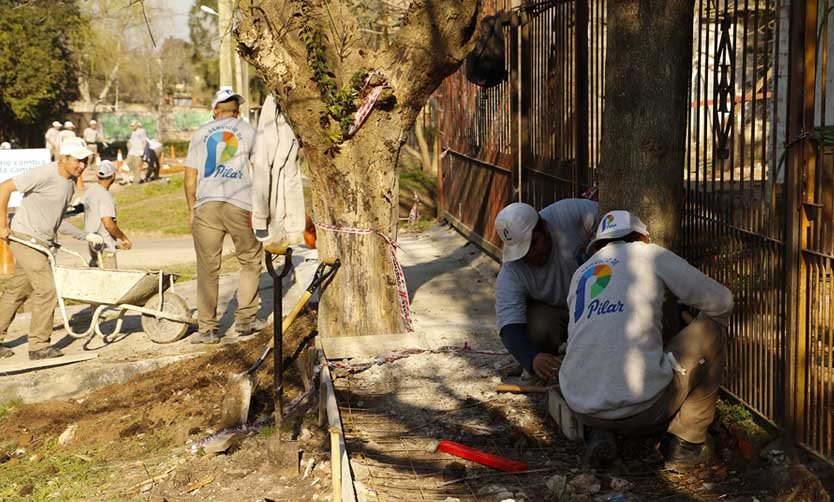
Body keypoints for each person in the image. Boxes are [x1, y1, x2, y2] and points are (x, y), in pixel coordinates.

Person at [558, 210, 734, 471]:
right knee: (712, 328)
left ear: (598, 245)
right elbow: (722, 301)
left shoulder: (581, 272)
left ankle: (601, 432)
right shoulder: (649, 254)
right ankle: (687, 443)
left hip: (581, 407)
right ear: (642, 237)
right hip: (645, 408)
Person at [0, 138, 101, 360]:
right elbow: (4, 188)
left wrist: (84, 235)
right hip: (24, 237)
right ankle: (38, 346)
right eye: (77, 160)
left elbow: (56, 220)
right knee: (47, 289)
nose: (82, 166)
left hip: (42, 243)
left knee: (18, 291)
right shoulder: (44, 174)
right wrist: (2, 225)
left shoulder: (70, 184)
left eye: (85, 161)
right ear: (63, 158)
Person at [183, 87, 264, 344]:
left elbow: (189, 178)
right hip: (240, 203)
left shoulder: (200, 133)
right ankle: (245, 321)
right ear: (237, 111)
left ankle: (207, 329)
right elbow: (260, 170)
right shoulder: (250, 131)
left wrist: (191, 210)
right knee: (250, 260)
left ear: (214, 112)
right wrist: (263, 207)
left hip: (206, 204)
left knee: (208, 267)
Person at [494, 199, 598, 380]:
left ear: (544, 226)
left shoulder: (570, 213)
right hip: (562, 314)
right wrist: (531, 358)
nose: (531, 254)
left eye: (533, 243)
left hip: (600, 301)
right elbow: (509, 326)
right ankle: (553, 358)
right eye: (522, 251)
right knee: (538, 326)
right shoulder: (512, 271)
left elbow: (613, 221)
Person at [59, 161, 132, 268]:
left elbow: (82, 209)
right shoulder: (105, 196)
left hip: (92, 243)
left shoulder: (91, 191)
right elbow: (108, 224)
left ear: (97, 175)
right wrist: (124, 238)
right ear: (113, 176)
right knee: (108, 280)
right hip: (105, 247)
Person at [126, 120, 148, 184]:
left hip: (139, 152)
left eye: (133, 126)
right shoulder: (133, 132)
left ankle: (137, 181)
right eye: (131, 126)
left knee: (138, 166)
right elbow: (131, 141)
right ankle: (136, 175)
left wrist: (143, 150)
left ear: (136, 125)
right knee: (128, 163)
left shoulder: (142, 131)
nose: (131, 127)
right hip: (132, 151)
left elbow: (144, 141)